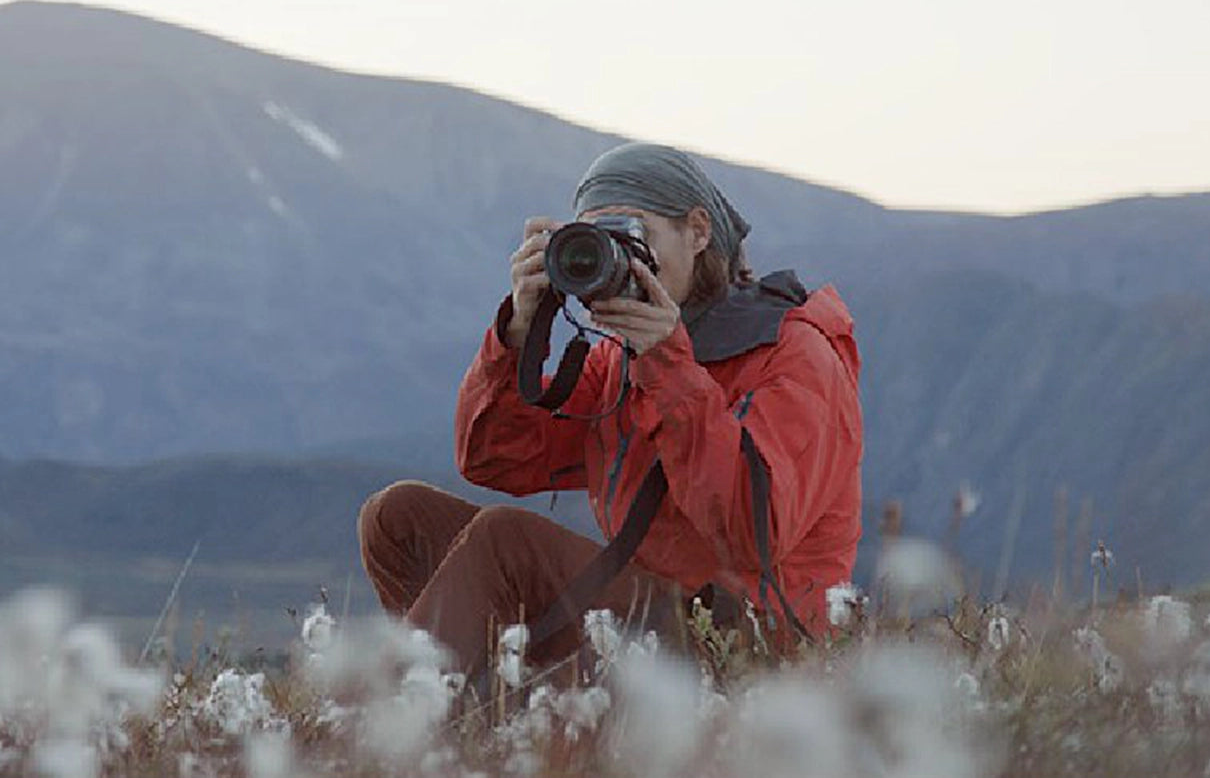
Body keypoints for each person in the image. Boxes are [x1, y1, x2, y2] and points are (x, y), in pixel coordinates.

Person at [358, 142, 862, 680]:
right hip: (645, 614)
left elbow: (752, 533)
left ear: (697, 232)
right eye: (601, 241)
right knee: (396, 517)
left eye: (637, 235)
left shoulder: (794, 354)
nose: (622, 258)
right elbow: (493, 460)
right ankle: (481, 711)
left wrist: (669, 365)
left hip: (746, 643)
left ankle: (389, 733)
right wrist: (518, 333)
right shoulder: (620, 357)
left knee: (506, 541)